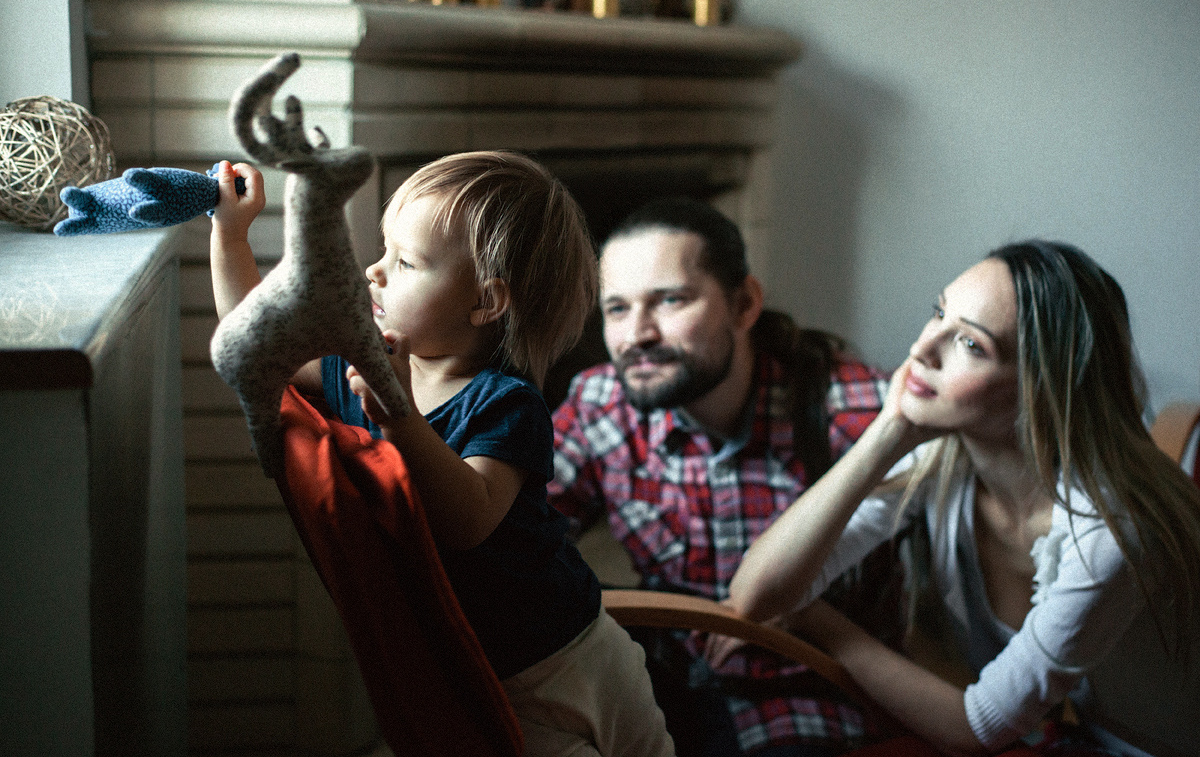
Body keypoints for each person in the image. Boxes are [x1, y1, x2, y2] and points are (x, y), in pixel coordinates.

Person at [210, 151, 676, 757]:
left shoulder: (506, 403)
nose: (374, 272)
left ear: (485, 302)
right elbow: (253, 343)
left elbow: (469, 519)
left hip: (569, 653)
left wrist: (400, 414)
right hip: (491, 681)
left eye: (405, 262)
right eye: (384, 249)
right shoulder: (351, 367)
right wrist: (230, 232)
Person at [726, 240, 1200, 757]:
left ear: (1038, 391)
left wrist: (818, 623)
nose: (921, 350)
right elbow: (757, 594)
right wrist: (886, 432)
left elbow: (975, 730)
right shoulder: (945, 457)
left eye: (971, 345)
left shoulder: (1107, 530)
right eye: (938, 314)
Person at [548, 197, 904, 757]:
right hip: (663, 685)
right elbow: (517, 530)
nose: (637, 334)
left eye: (670, 300)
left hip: (804, 693)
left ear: (744, 305)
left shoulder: (853, 409)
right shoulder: (601, 405)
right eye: (616, 309)